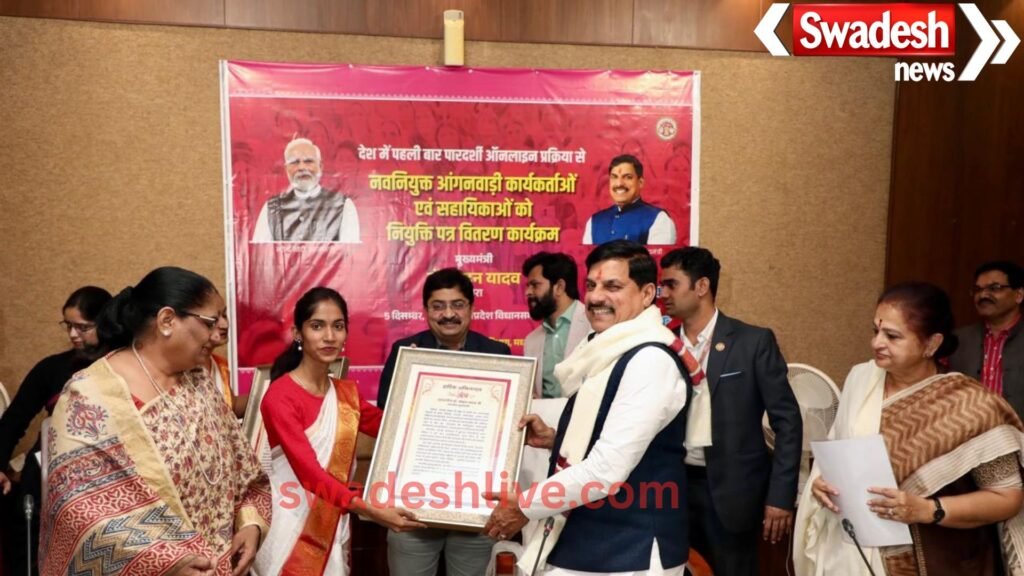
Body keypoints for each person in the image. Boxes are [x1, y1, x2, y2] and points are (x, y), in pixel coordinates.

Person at [41, 267, 270, 576]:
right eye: (211, 322)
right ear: (166, 321)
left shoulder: (199, 383)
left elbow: (246, 474)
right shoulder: (90, 395)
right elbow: (78, 512)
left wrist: (250, 524)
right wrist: (167, 564)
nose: (220, 332)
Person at [485, 240, 692, 575]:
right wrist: (556, 438)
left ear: (647, 293)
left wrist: (525, 505)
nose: (596, 297)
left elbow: (606, 469)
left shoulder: (649, 359)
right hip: (587, 536)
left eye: (613, 286)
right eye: (592, 286)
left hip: (627, 549)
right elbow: (615, 433)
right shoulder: (606, 349)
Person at [794, 282, 1024, 575]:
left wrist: (929, 510)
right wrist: (822, 484)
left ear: (931, 344)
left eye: (892, 336)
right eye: (875, 331)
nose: (877, 343)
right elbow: (837, 456)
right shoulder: (861, 380)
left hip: (937, 559)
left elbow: (1007, 499)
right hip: (850, 551)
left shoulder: (971, 406)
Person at [253, 287, 425, 575]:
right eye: (317, 326)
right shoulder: (280, 396)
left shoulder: (346, 394)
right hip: (290, 525)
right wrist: (370, 511)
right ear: (298, 333)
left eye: (338, 326)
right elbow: (311, 475)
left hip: (333, 520)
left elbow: (396, 427)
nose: (329, 336)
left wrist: (424, 381)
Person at [659, 247, 801, 576]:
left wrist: (780, 496)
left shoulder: (752, 342)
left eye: (671, 284)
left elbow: (788, 422)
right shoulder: (660, 345)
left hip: (733, 494)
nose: (663, 294)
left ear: (701, 286)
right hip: (673, 488)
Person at [378, 267, 510, 576]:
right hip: (413, 504)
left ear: (471, 309)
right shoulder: (404, 354)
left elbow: (507, 428)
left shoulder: (497, 353)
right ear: (425, 311)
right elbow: (387, 420)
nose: (448, 314)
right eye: (438, 306)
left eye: (457, 305)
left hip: (475, 505)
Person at [0, 286, 111, 576]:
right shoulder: (52, 368)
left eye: (83, 327)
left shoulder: (123, 367)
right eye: (69, 326)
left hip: (102, 478)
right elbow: (14, 420)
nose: (74, 334)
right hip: (49, 474)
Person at [949, 260, 1024, 418]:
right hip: (969, 435)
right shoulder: (958, 340)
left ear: (1019, 295)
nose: (983, 295)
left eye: (994, 288)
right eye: (977, 289)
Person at [252, 138, 361, 243]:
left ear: (320, 167)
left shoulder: (343, 206)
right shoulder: (272, 208)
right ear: (286, 169)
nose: (302, 167)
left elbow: (349, 255)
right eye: (294, 162)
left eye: (308, 161)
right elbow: (261, 254)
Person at [522, 252, 591, 398]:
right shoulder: (531, 341)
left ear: (559, 287)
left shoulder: (594, 326)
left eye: (535, 285)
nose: (527, 292)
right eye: (528, 286)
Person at [583, 155, 677, 245]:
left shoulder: (659, 219)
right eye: (614, 177)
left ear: (640, 182)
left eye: (628, 177)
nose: (619, 183)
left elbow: (658, 260)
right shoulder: (595, 221)